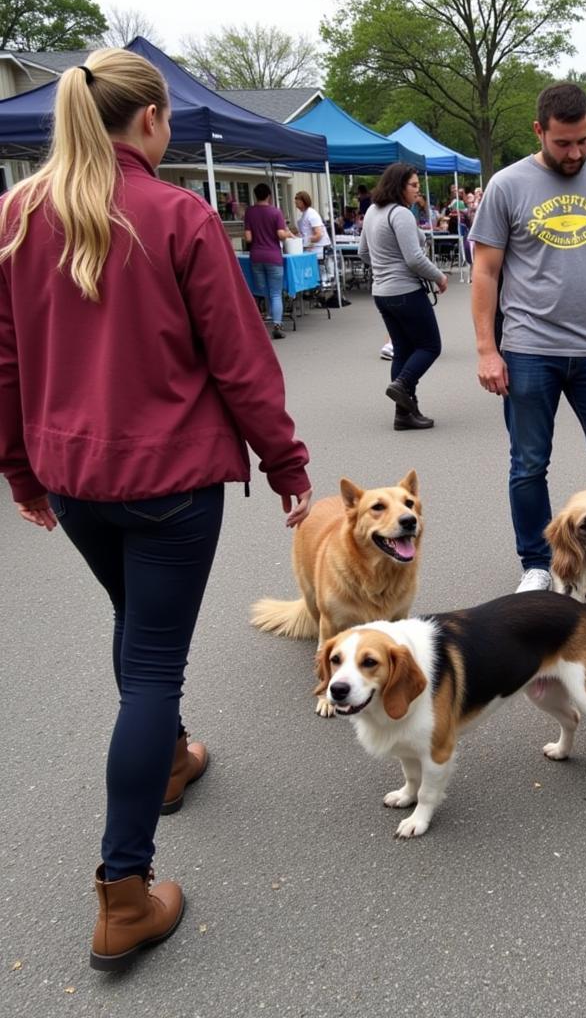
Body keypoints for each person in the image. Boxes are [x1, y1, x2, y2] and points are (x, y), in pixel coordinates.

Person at [0, 49, 312, 969]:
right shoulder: (177, 214)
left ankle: (170, 757)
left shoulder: (17, 216)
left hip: (75, 477)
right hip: (170, 483)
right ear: (148, 121)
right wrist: (287, 463)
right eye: (168, 119)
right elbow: (239, 358)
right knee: (151, 666)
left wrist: (20, 471)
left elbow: (7, 363)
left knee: (135, 628)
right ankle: (124, 891)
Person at [470, 81, 586, 593]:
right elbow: (486, 270)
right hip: (528, 348)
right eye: (563, 143)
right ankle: (538, 564)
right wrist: (487, 348)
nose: (575, 153)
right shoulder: (507, 185)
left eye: (584, 141)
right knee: (529, 463)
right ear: (539, 131)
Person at [359, 163, 448, 430]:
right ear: (399, 185)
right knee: (430, 346)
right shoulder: (400, 214)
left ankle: (404, 414)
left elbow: (364, 252)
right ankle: (402, 385)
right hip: (405, 291)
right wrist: (439, 276)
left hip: (382, 292)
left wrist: (383, 267)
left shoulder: (374, 211)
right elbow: (414, 258)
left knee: (403, 350)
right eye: (413, 186)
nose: (417, 191)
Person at [243, 182, 290, 339]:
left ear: (255, 195)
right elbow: (281, 235)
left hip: (256, 256)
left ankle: (263, 322)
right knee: (276, 292)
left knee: (263, 292)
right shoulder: (276, 212)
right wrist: (289, 234)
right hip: (273, 256)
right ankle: (277, 324)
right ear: (269, 195)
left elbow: (248, 238)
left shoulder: (249, 212)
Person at [292, 190, 331, 258]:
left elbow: (319, 234)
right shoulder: (304, 214)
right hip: (311, 249)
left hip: (318, 250)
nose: (296, 205)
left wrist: (307, 242)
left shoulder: (311, 214)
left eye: (297, 202)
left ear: (302, 202)